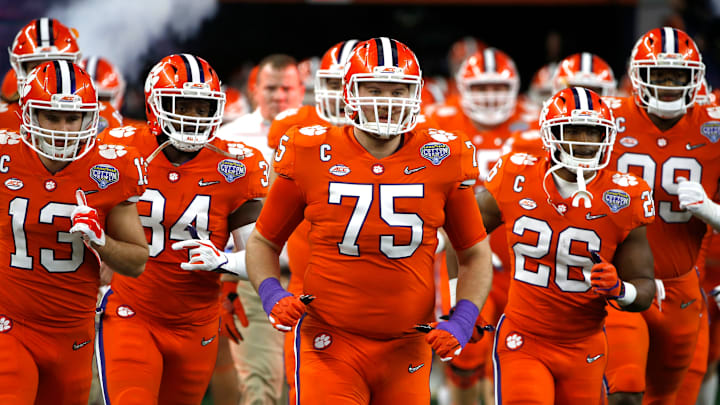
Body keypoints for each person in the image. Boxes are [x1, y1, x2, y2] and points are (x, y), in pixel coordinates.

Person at [245, 37, 494, 404]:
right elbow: (263, 241)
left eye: (397, 91)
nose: (385, 102)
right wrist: (270, 293)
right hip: (329, 341)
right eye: (373, 89)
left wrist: (463, 317)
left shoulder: (443, 155)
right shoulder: (309, 150)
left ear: (416, 94)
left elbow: (474, 253)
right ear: (349, 92)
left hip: (407, 345)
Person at [96, 53, 269, 404]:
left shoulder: (238, 165)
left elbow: (258, 258)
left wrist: (222, 261)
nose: (193, 117)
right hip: (132, 312)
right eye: (182, 105)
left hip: (197, 323)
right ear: (154, 104)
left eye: (203, 108)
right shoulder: (120, 148)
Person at [478, 86, 656, 404]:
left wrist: (621, 290)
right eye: (573, 131)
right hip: (525, 338)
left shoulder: (626, 196)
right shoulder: (516, 175)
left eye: (592, 132)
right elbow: (464, 234)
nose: (584, 143)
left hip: (584, 344)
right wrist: (461, 301)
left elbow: (643, 287)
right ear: (551, 134)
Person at [0, 60, 149, 404]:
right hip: (10, 324)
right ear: (28, 115)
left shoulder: (112, 167)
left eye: (72, 118)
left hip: (73, 332)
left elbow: (137, 261)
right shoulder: (5, 154)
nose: (62, 129)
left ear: (90, 118)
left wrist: (101, 241)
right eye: (51, 117)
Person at [603, 26, 720, 405]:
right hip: (622, 279)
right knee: (625, 390)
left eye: (678, 76)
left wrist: (710, 210)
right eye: (659, 75)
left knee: (667, 398)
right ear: (637, 76)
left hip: (683, 285)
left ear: (696, 79)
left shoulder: (715, 128)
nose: (669, 85)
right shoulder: (607, 119)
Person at [429, 47, 533, 405]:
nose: (489, 97)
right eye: (481, 87)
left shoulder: (536, 123)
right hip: (462, 254)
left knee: (515, 351)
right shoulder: (437, 121)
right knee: (464, 353)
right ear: (462, 87)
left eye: (497, 87)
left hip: (523, 255)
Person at [217, 53, 305, 405]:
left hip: (314, 276)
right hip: (252, 278)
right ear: (254, 90)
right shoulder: (228, 138)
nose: (279, 96)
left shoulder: (323, 138)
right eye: (271, 88)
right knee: (260, 388)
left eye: (287, 88)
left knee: (311, 387)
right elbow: (217, 214)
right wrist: (225, 280)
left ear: (302, 90)